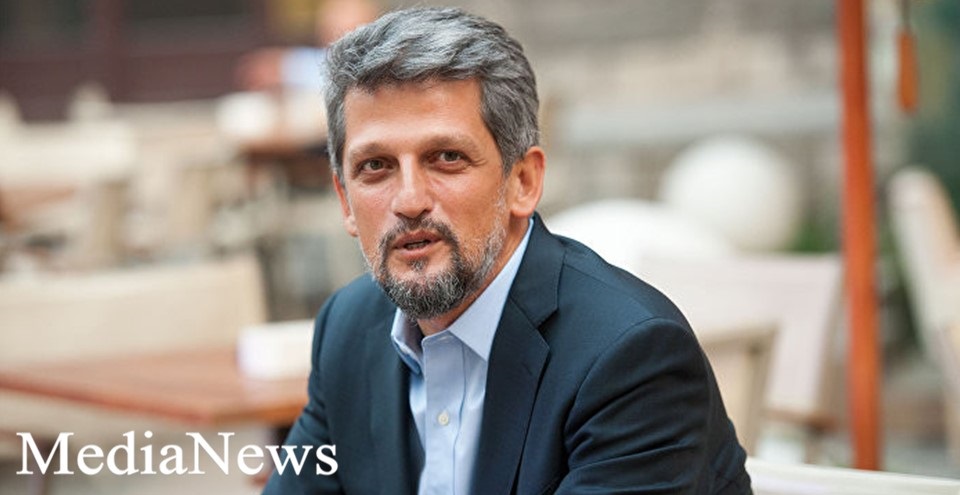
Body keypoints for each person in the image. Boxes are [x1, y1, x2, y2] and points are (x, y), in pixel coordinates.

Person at [264, 7, 751, 494]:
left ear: (523, 182)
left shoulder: (629, 358)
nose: (409, 200)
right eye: (375, 166)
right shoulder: (348, 328)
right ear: (345, 201)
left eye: (446, 158)